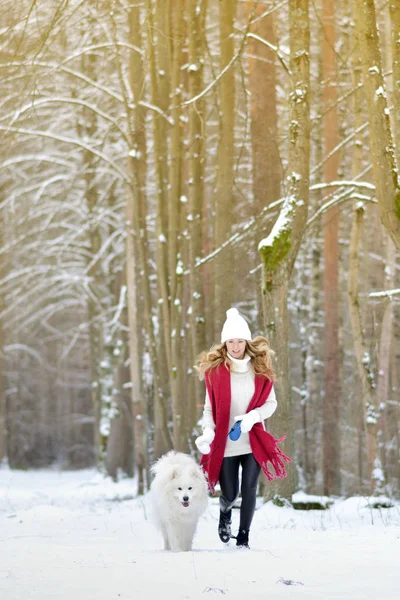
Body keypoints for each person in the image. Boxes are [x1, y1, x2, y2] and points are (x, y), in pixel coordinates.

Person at [194, 307, 290, 549]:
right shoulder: (215, 373)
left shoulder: (260, 370)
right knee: (230, 492)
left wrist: (253, 417)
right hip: (225, 443)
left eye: (239, 341)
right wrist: (208, 432)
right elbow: (208, 409)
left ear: (247, 342)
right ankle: (225, 515)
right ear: (224, 343)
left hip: (252, 440)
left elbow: (271, 403)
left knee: (249, 488)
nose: (235, 346)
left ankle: (244, 537)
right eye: (230, 342)